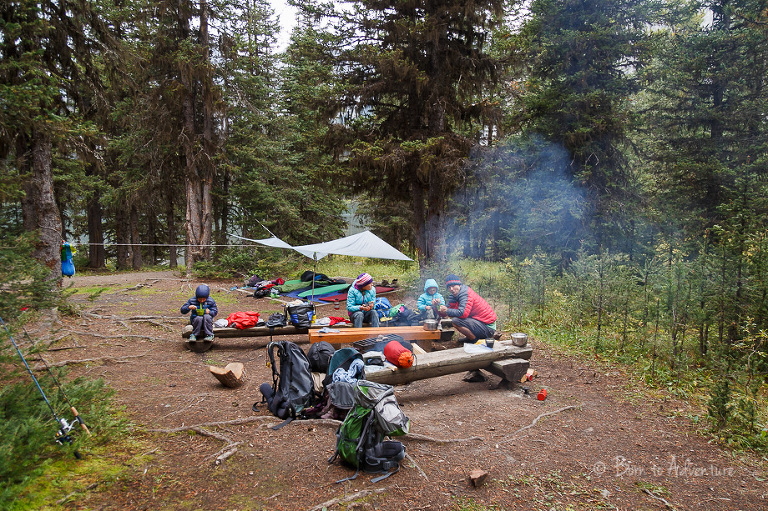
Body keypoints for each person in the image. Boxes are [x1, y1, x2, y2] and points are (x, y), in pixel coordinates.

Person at [439, 274, 497, 343]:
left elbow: (463, 313)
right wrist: (438, 306)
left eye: (453, 286)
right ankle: (471, 338)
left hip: (488, 327)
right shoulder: (454, 295)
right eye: (449, 287)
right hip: (479, 321)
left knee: (456, 321)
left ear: (459, 285)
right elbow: (447, 311)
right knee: (456, 319)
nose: (451, 289)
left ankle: (474, 340)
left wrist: (447, 311)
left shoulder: (465, 294)